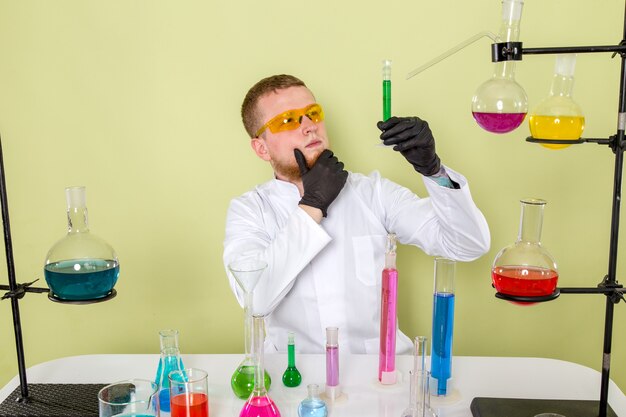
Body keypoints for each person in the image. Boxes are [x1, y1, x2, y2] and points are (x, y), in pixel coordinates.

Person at [223, 74, 490, 354]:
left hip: (383, 373)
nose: (309, 126)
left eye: (312, 114)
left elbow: (468, 244)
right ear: (261, 148)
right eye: (288, 120)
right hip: (296, 378)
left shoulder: (372, 192)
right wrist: (313, 205)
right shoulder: (250, 210)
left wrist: (433, 170)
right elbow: (255, 299)